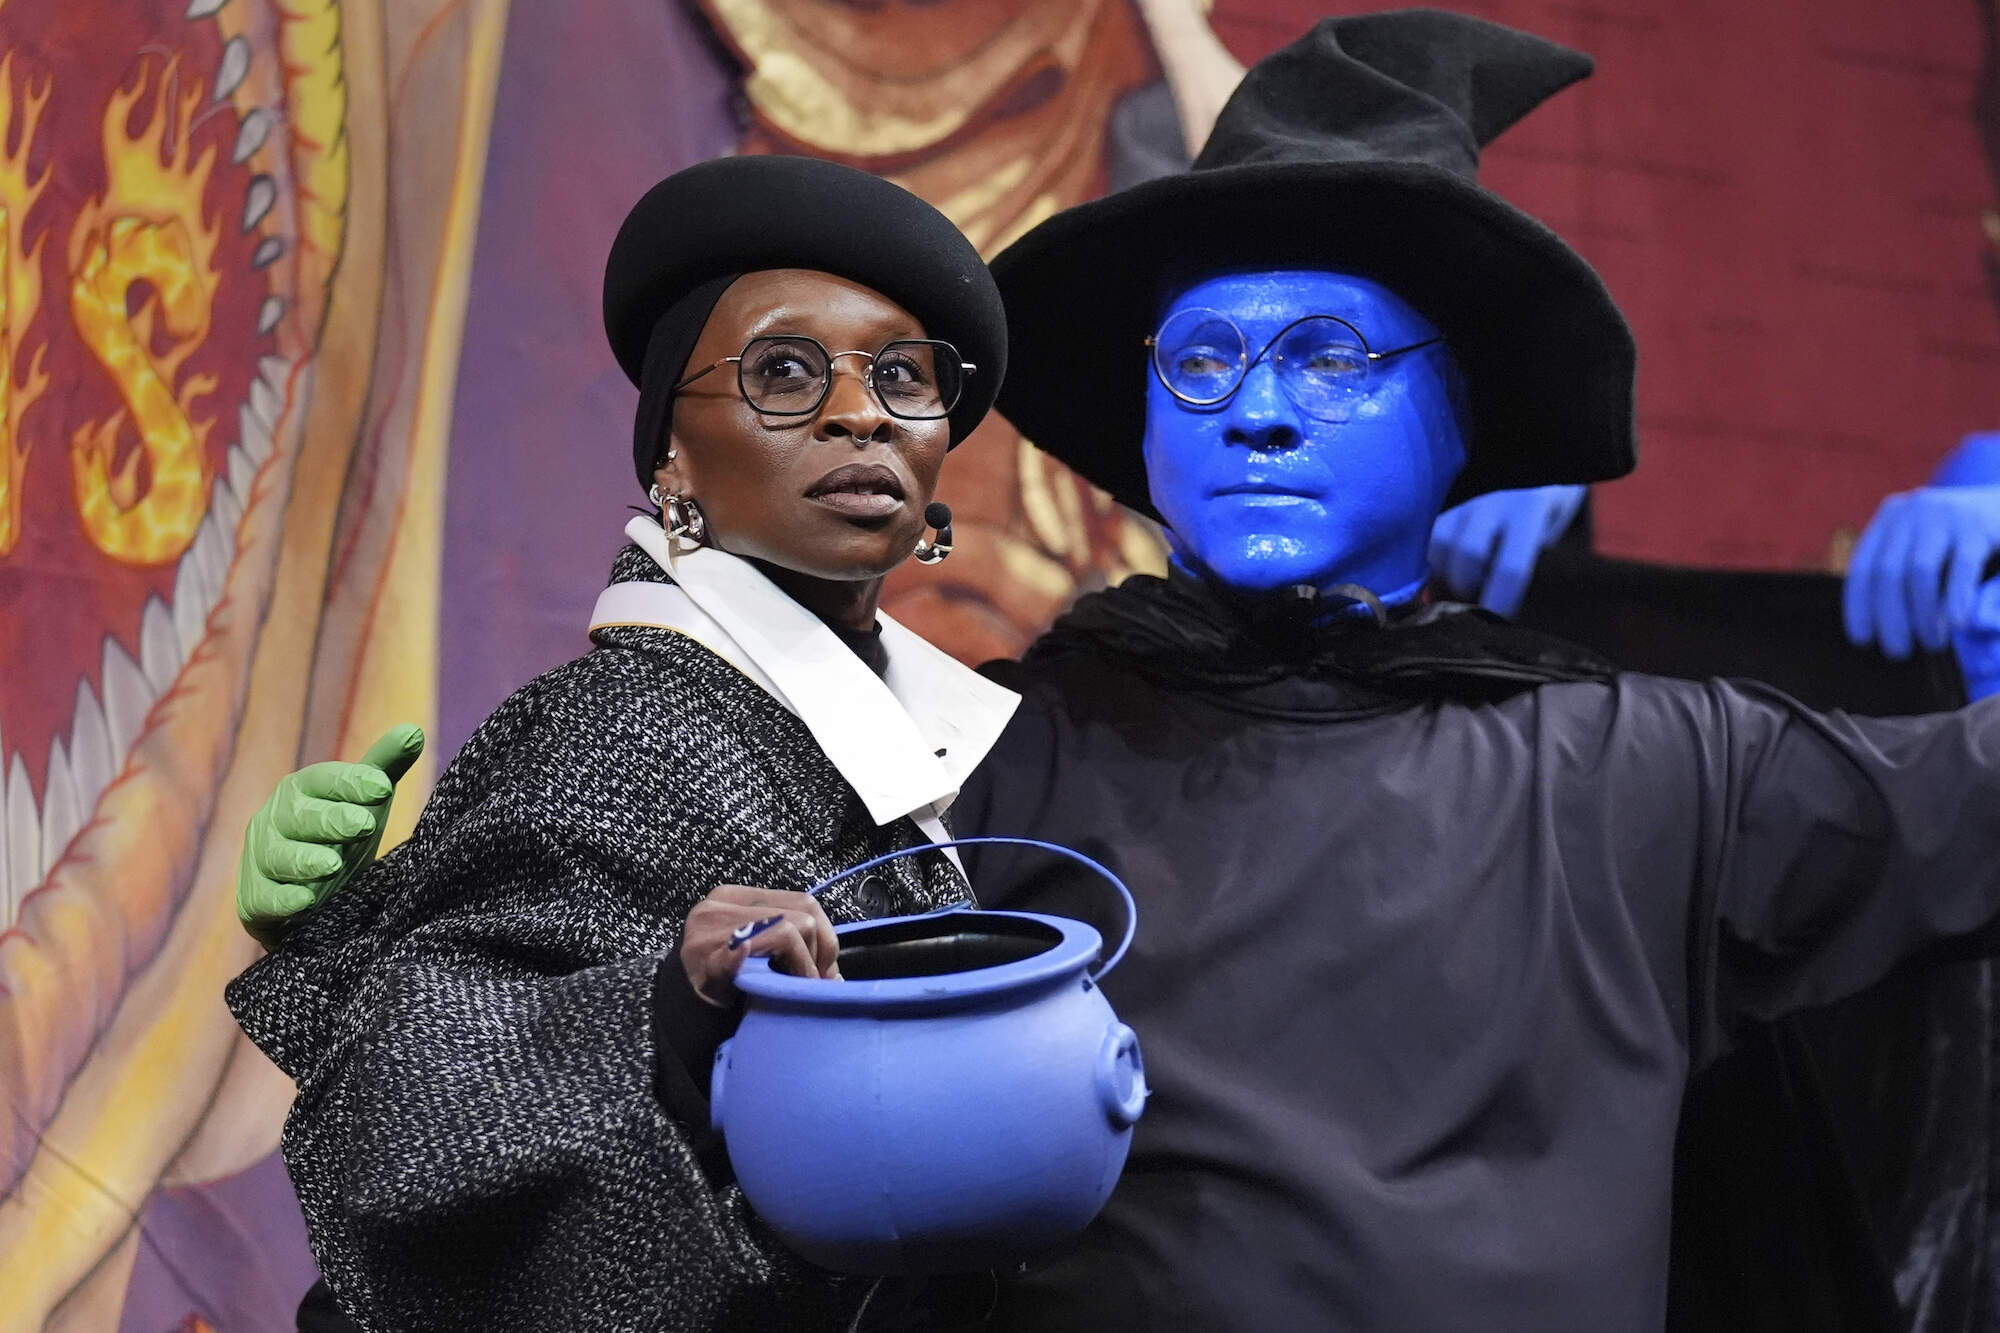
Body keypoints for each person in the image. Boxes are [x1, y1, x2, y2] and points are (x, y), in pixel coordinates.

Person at [240, 12, 2000, 1330]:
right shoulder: (979, 763)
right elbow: (584, 1053)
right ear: (1149, 429)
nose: (1257, 408)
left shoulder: (1662, 769)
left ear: (1460, 421)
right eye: (1203, 360)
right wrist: (369, 941)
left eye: (1331, 354)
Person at [225, 153, 1019, 1331]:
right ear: (671, 459)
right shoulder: (622, 726)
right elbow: (396, 1115)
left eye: (901, 376)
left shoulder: (907, 748)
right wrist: (666, 1005)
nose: (861, 411)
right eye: (784, 370)